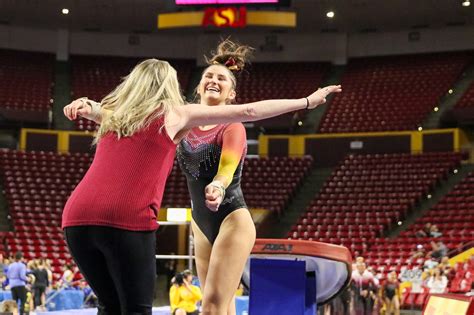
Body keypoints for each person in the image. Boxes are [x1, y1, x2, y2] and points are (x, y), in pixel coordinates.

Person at [62, 56, 342, 314]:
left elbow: (245, 121)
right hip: (194, 220)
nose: (214, 81)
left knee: (210, 305)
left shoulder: (204, 120)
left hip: (226, 215)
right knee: (213, 305)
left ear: (231, 94)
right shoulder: (172, 117)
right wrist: (87, 105)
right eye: (209, 76)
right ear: (192, 88)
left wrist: (305, 102)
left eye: (222, 79)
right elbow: (100, 110)